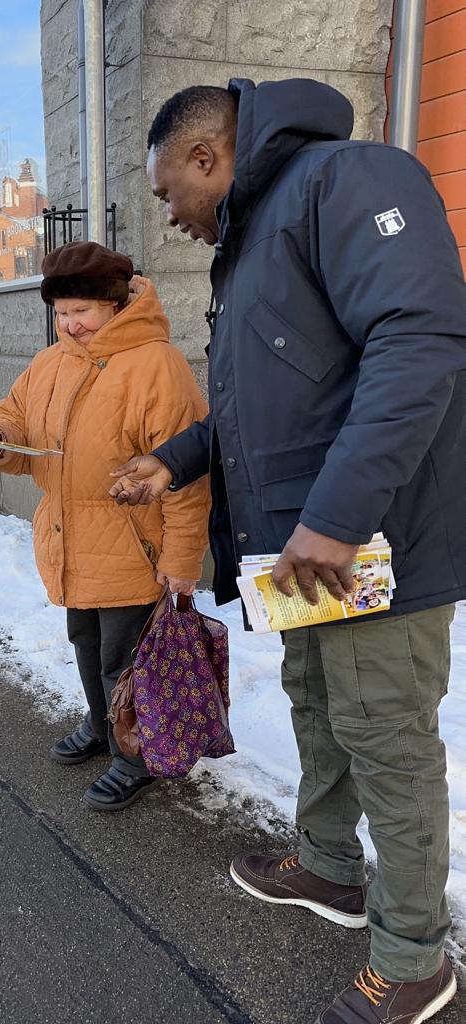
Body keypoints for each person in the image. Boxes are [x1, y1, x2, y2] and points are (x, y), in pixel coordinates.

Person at [111, 80, 466, 1023]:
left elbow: (418, 341)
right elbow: (268, 402)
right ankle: (328, 867)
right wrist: (176, 459)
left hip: (369, 543)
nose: (169, 216)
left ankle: (413, 959)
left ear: (204, 156)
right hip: (302, 553)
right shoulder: (251, 240)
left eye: (167, 194)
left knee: (385, 741)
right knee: (319, 707)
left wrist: (338, 517)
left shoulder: (347, 179)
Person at [0, 241, 210, 811]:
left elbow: (189, 475)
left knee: (125, 662)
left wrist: (182, 559)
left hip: (134, 546)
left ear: (115, 303)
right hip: (70, 540)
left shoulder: (157, 366)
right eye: (62, 312)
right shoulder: (51, 362)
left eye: (82, 311)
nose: (70, 324)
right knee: (87, 646)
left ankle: (136, 758)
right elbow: (18, 425)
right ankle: (102, 724)